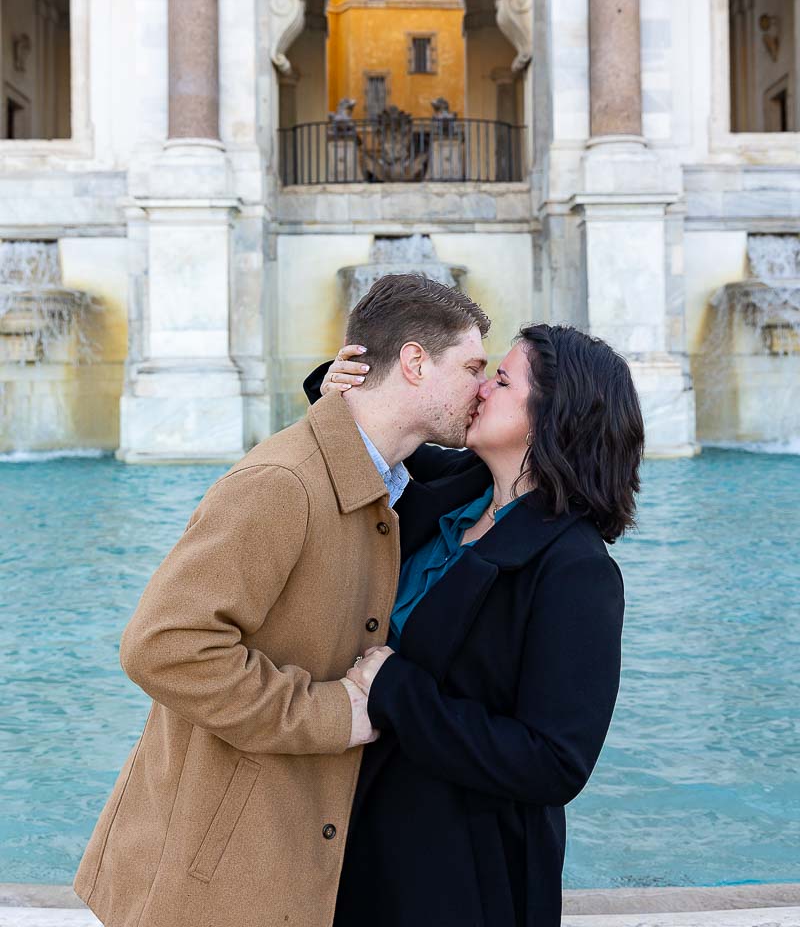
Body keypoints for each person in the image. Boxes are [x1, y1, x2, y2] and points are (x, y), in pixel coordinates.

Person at [73, 274, 491, 927]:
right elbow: (161, 648)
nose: (483, 389)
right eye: (472, 367)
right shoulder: (283, 483)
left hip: (277, 864)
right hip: (212, 882)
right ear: (415, 363)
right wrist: (334, 714)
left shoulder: (384, 484)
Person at [309, 320, 644, 927]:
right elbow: (382, 439)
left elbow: (553, 761)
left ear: (550, 417)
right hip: (360, 839)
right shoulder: (457, 489)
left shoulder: (577, 571)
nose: (483, 388)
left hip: (459, 873)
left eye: (502, 379)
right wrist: (345, 389)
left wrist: (395, 691)